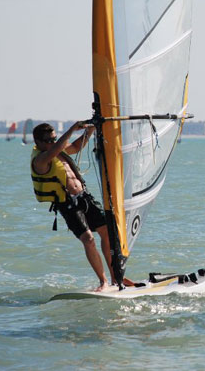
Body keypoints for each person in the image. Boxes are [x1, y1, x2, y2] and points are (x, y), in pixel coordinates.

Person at [30, 122, 131, 291]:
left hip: (84, 198)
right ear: (38, 142)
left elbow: (76, 146)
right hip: (67, 204)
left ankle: (116, 277)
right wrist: (71, 129)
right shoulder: (40, 160)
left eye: (55, 139)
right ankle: (103, 281)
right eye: (49, 140)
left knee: (107, 231)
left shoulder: (58, 149)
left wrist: (91, 128)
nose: (53, 143)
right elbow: (56, 149)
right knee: (88, 239)